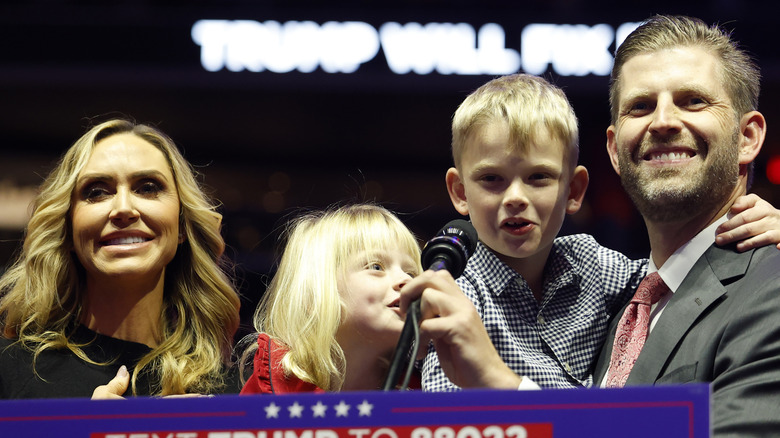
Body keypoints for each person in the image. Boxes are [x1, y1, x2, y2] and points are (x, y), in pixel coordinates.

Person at [400, 73, 780, 391]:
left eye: (538, 177)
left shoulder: (593, 265)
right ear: (460, 192)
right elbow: (448, 419)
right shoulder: (457, 296)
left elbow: (683, 271)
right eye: (492, 180)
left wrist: (764, 224)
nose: (515, 197)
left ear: (575, 191)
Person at [591, 15, 780, 435]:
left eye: (693, 100)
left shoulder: (773, 289)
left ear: (747, 137)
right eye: (640, 106)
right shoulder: (616, 307)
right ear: (615, 150)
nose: (662, 121)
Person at [0, 118, 241, 399]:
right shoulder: (9, 373)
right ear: (67, 231)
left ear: (182, 227)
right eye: (97, 192)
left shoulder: (231, 395)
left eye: (148, 187)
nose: (124, 209)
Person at [239, 204, 423, 393]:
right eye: (376, 266)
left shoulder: (430, 391)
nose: (406, 280)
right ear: (316, 290)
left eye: (412, 272)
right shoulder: (272, 394)